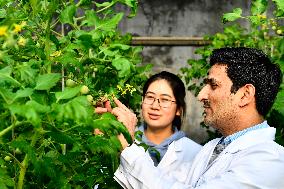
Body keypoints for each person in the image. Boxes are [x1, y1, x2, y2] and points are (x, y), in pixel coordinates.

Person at [106, 47, 284, 189]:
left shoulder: (269, 161)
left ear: (245, 95)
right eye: (150, 97)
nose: (201, 95)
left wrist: (129, 148)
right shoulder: (211, 149)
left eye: (213, 85)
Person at [97, 71, 201, 188]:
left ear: (178, 109)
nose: (155, 106)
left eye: (165, 100)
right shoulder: (118, 139)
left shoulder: (197, 153)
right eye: (150, 97)